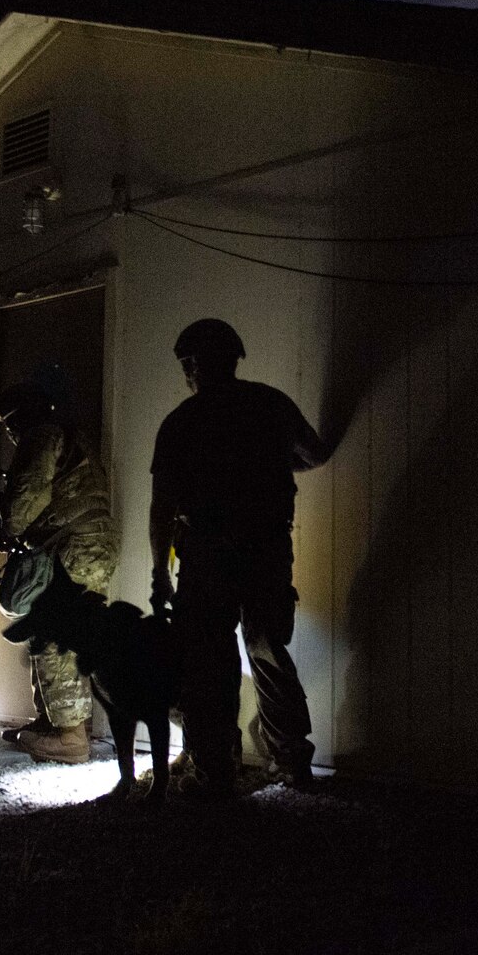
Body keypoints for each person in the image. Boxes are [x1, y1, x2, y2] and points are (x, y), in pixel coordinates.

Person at [150, 318, 333, 797]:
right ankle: (291, 761)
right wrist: (270, 460)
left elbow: (162, 507)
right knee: (269, 648)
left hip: (207, 556)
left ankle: (215, 770)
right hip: (267, 551)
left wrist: (158, 572)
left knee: (209, 662)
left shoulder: (182, 422)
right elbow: (314, 454)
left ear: (191, 365)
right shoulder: (271, 404)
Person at [0, 379, 118, 764]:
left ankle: (69, 738)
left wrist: (1, 520)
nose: (12, 433)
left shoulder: (42, 437)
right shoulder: (68, 436)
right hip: (85, 542)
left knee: (53, 632)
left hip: (73, 545)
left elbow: (21, 509)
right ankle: (53, 723)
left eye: (12, 423)